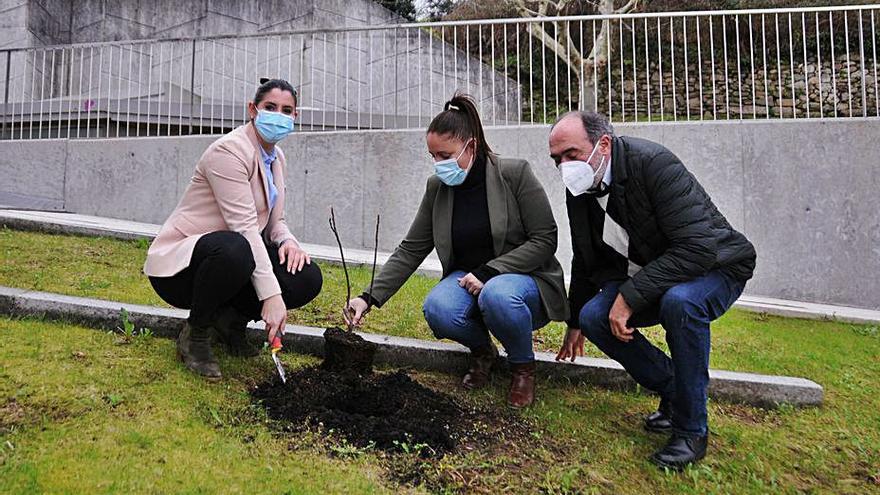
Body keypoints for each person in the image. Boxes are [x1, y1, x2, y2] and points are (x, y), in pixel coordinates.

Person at [549, 111, 756, 469]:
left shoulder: (653, 163)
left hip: (716, 265)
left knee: (681, 303)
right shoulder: (580, 189)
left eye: (571, 154)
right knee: (595, 316)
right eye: (557, 160)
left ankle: (691, 430)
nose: (565, 166)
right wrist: (575, 319)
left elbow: (696, 248)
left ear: (604, 144)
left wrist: (629, 298)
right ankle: (676, 390)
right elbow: (586, 257)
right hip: (652, 271)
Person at [345, 93, 568, 408]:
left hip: (521, 277)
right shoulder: (438, 189)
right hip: (467, 278)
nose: (439, 164)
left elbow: (544, 238)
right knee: (439, 308)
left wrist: (490, 272)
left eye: (445, 155)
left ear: (471, 146)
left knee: (497, 294)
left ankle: (522, 368)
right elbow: (411, 249)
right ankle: (483, 352)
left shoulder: (514, 174)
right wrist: (367, 297)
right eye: (433, 156)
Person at [143, 78, 322, 381]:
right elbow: (245, 228)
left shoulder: (276, 158)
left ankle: (229, 322)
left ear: (295, 117)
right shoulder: (229, 152)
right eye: (270, 107)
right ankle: (196, 334)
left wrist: (288, 241)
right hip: (185, 268)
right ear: (253, 109)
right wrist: (271, 296)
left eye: (287, 110)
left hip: (233, 259)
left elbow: (275, 221)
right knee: (235, 249)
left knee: (305, 275)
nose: (278, 115)